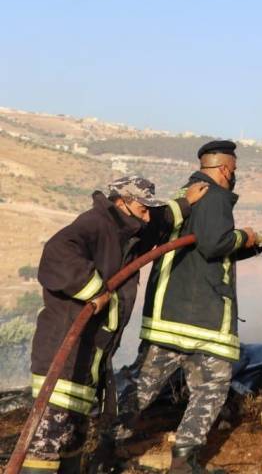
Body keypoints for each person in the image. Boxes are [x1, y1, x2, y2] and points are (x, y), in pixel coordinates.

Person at [121, 140, 262, 474]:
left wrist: (259, 246)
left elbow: (205, 249)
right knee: (211, 387)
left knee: (142, 388)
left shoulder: (187, 196)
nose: (234, 176)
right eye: (234, 170)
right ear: (225, 169)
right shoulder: (216, 197)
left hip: (168, 318)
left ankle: (104, 447)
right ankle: (184, 461)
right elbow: (214, 245)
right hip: (202, 319)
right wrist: (249, 236)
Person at [22, 176, 208, 474]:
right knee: (46, 446)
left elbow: (157, 224)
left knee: (72, 444)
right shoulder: (95, 224)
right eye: (142, 209)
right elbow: (56, 254)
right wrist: (92, 289)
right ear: (122, 203)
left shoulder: (126, 231)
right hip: (64, 356)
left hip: (88, 359)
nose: (147, 217)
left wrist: (186, 202)